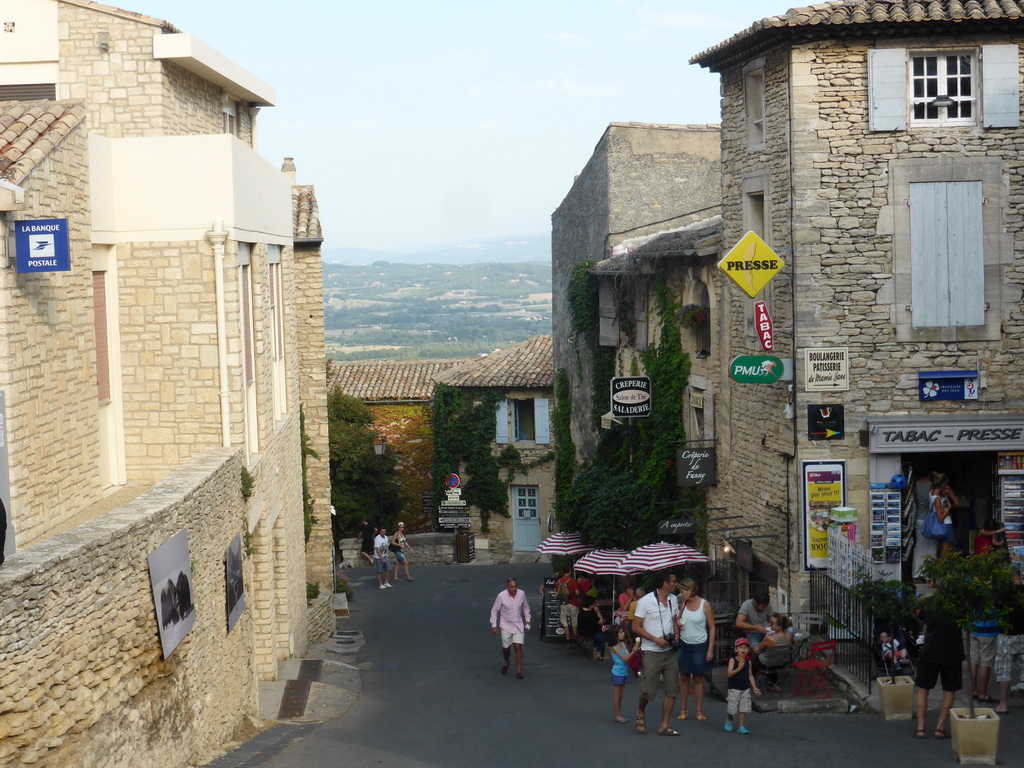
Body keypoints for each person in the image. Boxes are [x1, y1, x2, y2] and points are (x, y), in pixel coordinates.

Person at [631, 570, 680, 736]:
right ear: (665, 583)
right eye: (673, 581)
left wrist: (677, 634)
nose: (675, 584)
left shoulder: (674, 599)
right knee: (648, 691)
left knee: (672, 690)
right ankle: (640, 711)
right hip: (652, 651)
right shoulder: (645, 602)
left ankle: (664, 725)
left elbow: (673, 620)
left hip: (670, 651)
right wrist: (654, 639)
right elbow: (635, 627)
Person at [913, 598, 965, 739]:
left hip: (930, 650)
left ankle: (920, 728)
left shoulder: (929, 602)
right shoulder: (960, 604)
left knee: (923, 688)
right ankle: (940, 728)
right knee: (949, 690)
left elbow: (921, 618)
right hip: (952, 652)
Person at [674, 577, 716, 722]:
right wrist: (677, 630)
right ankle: (683, 709)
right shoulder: (683, 604)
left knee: (698, 678)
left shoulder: (705, 605)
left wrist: (710, 649)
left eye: (683, 591)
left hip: (700, 644)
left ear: (691, 590)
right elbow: (677, 620)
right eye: (680, 591)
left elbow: (712, 627)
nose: (681, 594)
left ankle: (699, 710)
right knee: (684, 677)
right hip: (685, 644)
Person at [994, 572, 1024, 715]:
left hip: (1006, 636)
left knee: (1004, 672)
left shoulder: (1002, 594)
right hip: (1023, 634)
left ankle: (1003, 704)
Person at [490, 577, 531, 679]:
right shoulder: (501, 596)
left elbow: (526, 607)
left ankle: (519, 670)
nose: (514, 589)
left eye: (515, 586)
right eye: (512, 587)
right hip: (506, 625)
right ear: (507, 587)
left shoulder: (521, 594)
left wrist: (528, 619)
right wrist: (494, 625)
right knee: (506, 648)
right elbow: (494, 611)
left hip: (518, 624)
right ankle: (506, 661)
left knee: (517, 646)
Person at [725, 638, 761, 733]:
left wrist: (754, 687)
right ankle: (729, 719)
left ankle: (741, 726)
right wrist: (739, 668)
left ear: (748, 650)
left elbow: (750, 675)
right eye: (740, 647)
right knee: (732, 708)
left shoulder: (748, 663)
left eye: (745, 648)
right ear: (736, 649)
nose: (743, 650)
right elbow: (729, 674)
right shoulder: (732, 660)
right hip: (734, 688)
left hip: (745, 688)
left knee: (744, 708)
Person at [751, 613, 792, 691]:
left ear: (779, 627)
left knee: (753, 660)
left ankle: (751, 680)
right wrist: (789, 621)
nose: (769, 624)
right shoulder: (790, 635)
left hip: (766, 664)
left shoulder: (770, 638)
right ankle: (774, 685)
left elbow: (758, 650)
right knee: (772, 658)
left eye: (772, 623)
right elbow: (791, 627)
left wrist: (754, 646)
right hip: (782, 663)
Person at [609, 625, 631, 723]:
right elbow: (625, 658)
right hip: (617, 672)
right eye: (621, 632)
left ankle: (619, 713)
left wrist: (633, 652)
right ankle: (617, 715)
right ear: (616, 635)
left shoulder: (622, 644)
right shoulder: (614, 647)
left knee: (621, 695)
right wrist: (634, 650)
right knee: (617, 695)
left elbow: (628, 656)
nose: (623, 634)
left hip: (624, 672)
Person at [577, 595, 608, 660]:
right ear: (591, 604)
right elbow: (601, 621)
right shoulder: (591, 614)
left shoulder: (581, 612)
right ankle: (598, 653)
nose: (595, 604)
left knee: (599, 635)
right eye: (594, 603)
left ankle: (594, 651)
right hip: (591, 632)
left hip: (582, 631)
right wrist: (597, 611)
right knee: (605, 639)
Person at [554, 570, 580, 640]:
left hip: (563, 604)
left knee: (565, 623)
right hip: (573, 603)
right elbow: (577, 593)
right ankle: (574, 639)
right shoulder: (573, 581)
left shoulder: (559, 581)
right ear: (570, 571)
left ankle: (568, 639)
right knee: (574, 622)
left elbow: (556, 594)